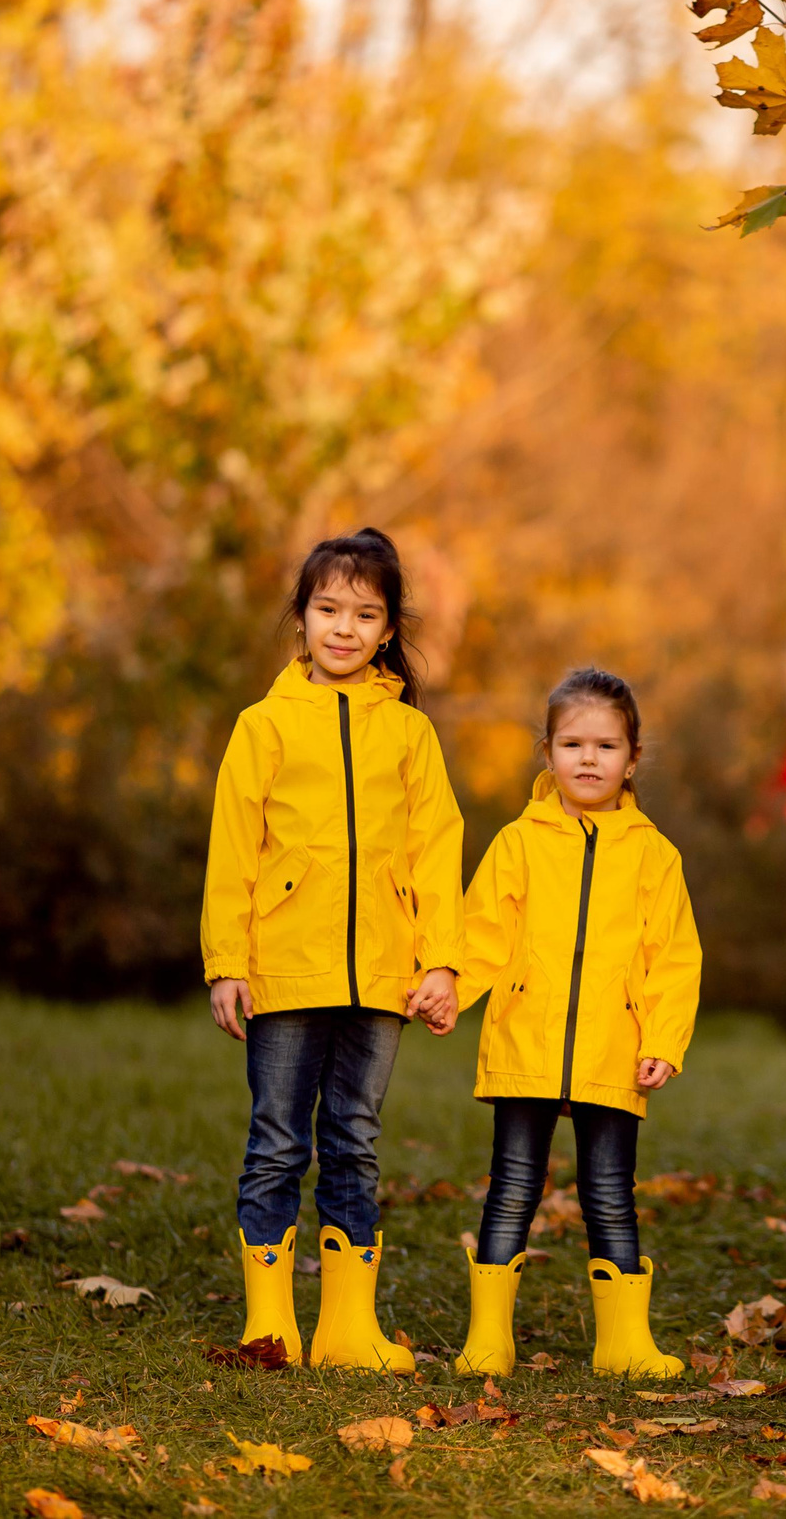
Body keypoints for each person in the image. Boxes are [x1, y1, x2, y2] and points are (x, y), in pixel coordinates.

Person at [201, 528, 467, 1371]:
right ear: (303, 617)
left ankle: (349, 1328)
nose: (343, 628)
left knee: (355, 1134)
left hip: (382, 973)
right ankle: (269, 1326)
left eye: (364, 613)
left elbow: (435, 851)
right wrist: (226, 961)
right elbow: (234, 847)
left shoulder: (411, 737)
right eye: (327, 610)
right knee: (279, 1136)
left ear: (388, 628)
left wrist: (440, 960)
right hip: (284, 967)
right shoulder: (263, 726)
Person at [449, 668, 702, 1379]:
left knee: (610, 1193)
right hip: (525, 1042)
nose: (588, 759)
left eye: (605, 745)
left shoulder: (655, 856)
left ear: (633, 757)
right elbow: (483, 933)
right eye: (571, 743)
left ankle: (623, 1341)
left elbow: (674, 960)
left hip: (614, 1049)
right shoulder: (518, 843)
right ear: (547, 751)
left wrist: (662, 1041)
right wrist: (450, 991)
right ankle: (489, 1339)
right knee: (512, 1186)